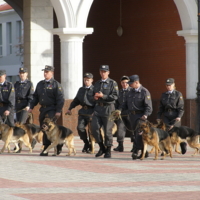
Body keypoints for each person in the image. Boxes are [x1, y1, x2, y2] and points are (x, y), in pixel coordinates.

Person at [29, 65, 65, 156]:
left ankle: (46, 147)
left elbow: (60, 99)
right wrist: (31, 107)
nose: (45, 73)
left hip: (52, 109)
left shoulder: (56, 84)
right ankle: (58, 144)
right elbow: (35, 97)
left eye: (47, 72)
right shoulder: (40, 84)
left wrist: (58, 110)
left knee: (47, 128)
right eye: (44, 72)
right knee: (43, 128)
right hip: (43, 109)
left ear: (52, 73)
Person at [119, 75, 153, 160]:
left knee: (139, 133)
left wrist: (145, 115)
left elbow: (148, 106)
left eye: (131, 83)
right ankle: (144, 152)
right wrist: (119, 110)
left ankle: (136, 150)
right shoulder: (130, 92)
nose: (129, 85)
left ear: (136, 82)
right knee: (135, 134)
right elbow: (125, 104)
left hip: (141, 116)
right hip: (132, 116)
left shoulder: (144, 92)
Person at [91, 65, 119, 158]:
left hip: (108, 108)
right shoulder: (97, 83)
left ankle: (108, 150)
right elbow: (92, 95)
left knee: (107, 131)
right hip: (98, 108)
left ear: (108, 72)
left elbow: (115, 96)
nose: (103, 73)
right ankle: (101, 147)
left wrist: (103, 96)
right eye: (101, 71)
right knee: (94, 128)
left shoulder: (112, 83)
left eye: (105, 71)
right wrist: (94, 97)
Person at [65, 73, 95, 153]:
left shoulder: (95, 90)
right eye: (85, 80)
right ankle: (86, 143)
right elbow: (76, 100)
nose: (86, 81)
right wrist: (70, 108)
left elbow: (98, 102)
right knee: (80, 128)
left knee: (91, 131)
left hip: (92, 112)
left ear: (92, 80)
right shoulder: (81, 89)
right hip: (83, 112)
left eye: (88, 80)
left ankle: (91, 146)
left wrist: (95, 112)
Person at [157, 78, 186, 154]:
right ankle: (166, 150)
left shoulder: (178, 94)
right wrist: (158, 117)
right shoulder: (164, 95)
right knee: (166, 133)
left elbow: (181, 108)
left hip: (175, 116)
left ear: (173, 85)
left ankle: (182, 143)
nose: (168, 86)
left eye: (170, 85)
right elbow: (161, 107)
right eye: (167, 85)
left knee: (174, 134)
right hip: (166, 115)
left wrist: (179, 116)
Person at [113, 75, 132, 152]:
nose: (125, 84)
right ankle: (120, 146)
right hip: (121, 115)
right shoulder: (119, 92)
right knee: (120, 130)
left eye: (126, 82)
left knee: (133, 130)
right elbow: (116, 103)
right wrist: (116, 111)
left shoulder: (132, 91)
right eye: (123, 82)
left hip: (130, 114)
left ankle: (135, 146)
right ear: (121, 83)